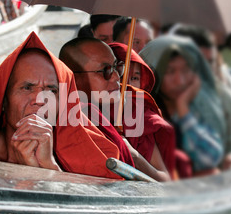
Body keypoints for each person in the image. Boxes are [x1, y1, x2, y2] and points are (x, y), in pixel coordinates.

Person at [0, 32, 122, 180]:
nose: (40, 99)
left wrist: (48, 165)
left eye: (51, 90)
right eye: (27, 88)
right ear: (4, 101)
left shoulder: (77, 157)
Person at [59, 37, 179, 182]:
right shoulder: (60, 121)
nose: (116, 77)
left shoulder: (134, 112)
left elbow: (165, 180)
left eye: (117, 67)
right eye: (105, 70)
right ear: (73, 77)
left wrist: (133, 155)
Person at [140, 35, 231, 174]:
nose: (179, 81)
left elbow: (209, 159)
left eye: (185, 70)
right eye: (170, 71)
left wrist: (183, 109)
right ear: (153, 73)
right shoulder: (139, 111)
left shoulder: (203, 105)